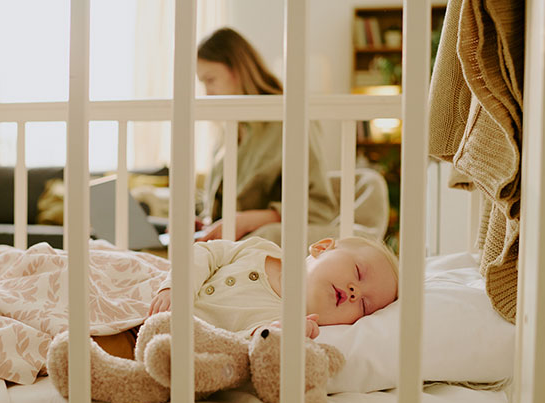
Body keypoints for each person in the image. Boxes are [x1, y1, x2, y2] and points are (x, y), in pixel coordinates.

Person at [93, 235, 398, 359]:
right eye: (358, 272)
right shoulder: (261, 250)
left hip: (150, 339)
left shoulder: (287, 323)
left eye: (365, 305)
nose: (356, 292)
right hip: (149, 297)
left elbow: (236, 347)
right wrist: (175, 286)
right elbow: (205, 252)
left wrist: (273, 336)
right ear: (322, 247)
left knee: (88, 346)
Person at [194, 27, 338, 244]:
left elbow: (319, 209)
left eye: (211, 80)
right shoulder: (228, 131)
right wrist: (204, 222)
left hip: (260, 247)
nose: (206, 93)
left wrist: (248, 221)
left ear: (238, 71)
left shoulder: (290, 121)